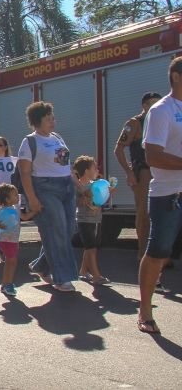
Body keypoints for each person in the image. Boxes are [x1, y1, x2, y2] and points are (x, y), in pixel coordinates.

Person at [137, 57, 182, 333]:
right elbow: (153, 156)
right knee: (158, 253)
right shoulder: (162, 110)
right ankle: (145, 310)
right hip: (169, 195)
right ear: (176, 77)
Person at [18, 101, 78, 292]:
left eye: (53, 118)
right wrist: (32, 199)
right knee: (57, 230)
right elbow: (24, 172)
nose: (52, 122)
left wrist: (80, 186)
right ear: (37, 122)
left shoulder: (57, 138)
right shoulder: (30, 142)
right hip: (45, 189)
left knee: (69, 230)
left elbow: (66, 165)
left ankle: (41, 266)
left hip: (66, 186)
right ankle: (61, 278)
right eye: (47, 119)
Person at [114, 92, 162, 260]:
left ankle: (161, 255)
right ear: (145, 106)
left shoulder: (162, 123)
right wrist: (129, 173)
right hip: (144, 173)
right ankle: (144, 255)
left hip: (163, 173)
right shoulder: (135, 123)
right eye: (154, 103)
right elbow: (119, 149)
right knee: (144, 215)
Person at [0, 183, 36, 296]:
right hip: (4, 241)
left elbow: (25, 217)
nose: (18, 196)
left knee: (10, 263)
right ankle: (9, 284)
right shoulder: (1, 211)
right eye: (15, 195)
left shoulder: (17, 210)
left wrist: (35, 211)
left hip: (14, 240)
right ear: (7, 199)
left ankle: (5, 285)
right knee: (12, 260)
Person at [73, 156, 112, 285]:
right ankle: (96, 275)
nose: (97, 170)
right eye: (95, 168)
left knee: (90, 247)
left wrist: (109, 194)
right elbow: (75, 204)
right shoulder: (79, 186)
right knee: (92, 248)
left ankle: (83, 271)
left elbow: (98, 202)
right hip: (84, 220)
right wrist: (84, 196)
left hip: (96, 219)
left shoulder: (94, 185)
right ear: (87, 171)